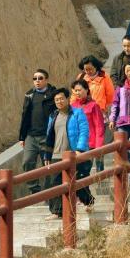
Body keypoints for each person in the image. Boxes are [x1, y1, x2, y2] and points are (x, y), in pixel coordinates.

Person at [43, 88, 90, 219]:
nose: (59, 101)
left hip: (74, 154)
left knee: (78, 181)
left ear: (68, 99)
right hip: (57, 154)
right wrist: (47, 154)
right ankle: (57, 211)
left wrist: (80, 149)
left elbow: (84, 131)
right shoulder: (53, 116)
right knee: (54, 183)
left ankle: (88, 202)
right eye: (56, 100)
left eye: (61, 99)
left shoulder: (77, 113)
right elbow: (49, 136)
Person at [18, 69, 57, 194]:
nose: (37, 81)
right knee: (27, 162)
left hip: (47, 136)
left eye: (40, 78)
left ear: (46, 80)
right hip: (31, 136)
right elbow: (24, 116)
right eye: (35, 78)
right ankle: (35, 190)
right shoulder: (29, 95)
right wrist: (22, 137)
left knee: (48, 165)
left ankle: (49, 193)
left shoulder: (53, 94)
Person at [71, 79, 104, 210]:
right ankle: (85, 200)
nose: (77, 93)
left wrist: (98, 146)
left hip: (90, 145)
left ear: (86, 90)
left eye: (80, 90)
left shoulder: (93, 106)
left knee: (83, 173)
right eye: (75, 91)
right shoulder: (72, 106)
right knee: (76, 174)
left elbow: (99, 126)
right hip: (76, 146)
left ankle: (87, 201)